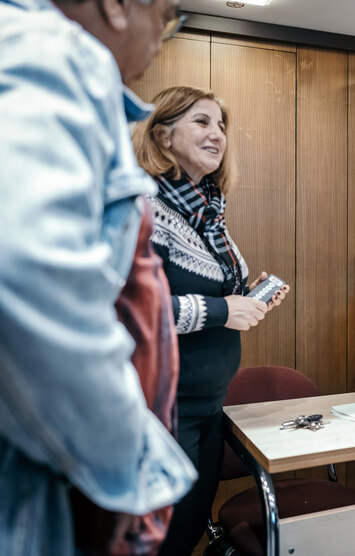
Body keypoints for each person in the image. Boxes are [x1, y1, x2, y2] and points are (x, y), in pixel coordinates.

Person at [0, 0, 197, 554]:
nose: (161, 39)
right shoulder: (55, 52)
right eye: (164, 16)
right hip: (42, 489)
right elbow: (25, 270)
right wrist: (124, 467)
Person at [132, 85, 290, 555]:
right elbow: (133, 309)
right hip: (160, 406)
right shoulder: (143, 205)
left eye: (221, 125)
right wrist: (225, 309)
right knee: (159, 538)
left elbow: (202, 295)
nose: (217, 134)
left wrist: (248, 298)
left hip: (208, 402)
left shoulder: (208, 212)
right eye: (201, 122)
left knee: (186, 530)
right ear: (162, 136)